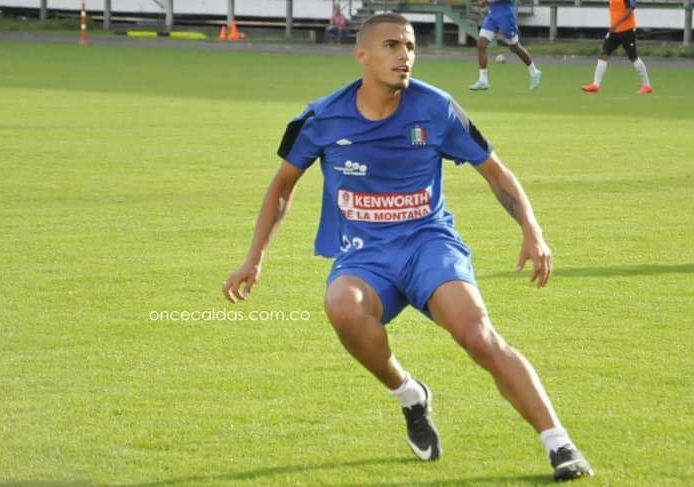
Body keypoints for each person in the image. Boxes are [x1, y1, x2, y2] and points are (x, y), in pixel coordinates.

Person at [223, 13, 593, 482]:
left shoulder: (437, 109)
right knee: (342, 306)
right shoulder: (320, 118)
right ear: (363, 54)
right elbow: (281, 187)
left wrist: (532, 230)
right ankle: (409, 394)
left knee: (479, 337)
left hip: (429, 245)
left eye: (411, 47)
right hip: (365, 255)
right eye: (393, 45)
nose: (405, 56)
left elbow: (496, 173)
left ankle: (558, 442)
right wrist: (253, 259)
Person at [582, 0, 652, 93]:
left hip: (627, 30)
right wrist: (614, 25)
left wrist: (615, 24)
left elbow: (629, 11)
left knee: (633, 57)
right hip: (615, 31)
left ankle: (646, 85)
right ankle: (595, 85)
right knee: (604, 54)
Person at [469, 0, 542, 91]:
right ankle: (483, 80)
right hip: (493, 15)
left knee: (514, 47)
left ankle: (534, 71)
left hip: (506, 16)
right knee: (481, 44)